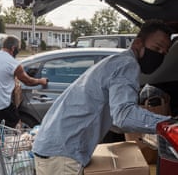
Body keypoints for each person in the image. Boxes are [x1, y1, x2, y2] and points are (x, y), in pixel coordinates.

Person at [32, 19, 174, 175]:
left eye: (164, 52)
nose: (159, 55)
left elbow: (114, 119)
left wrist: (146, 130)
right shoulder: (127, 65)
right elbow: (124, 115)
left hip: (52, 147)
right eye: (157, 47)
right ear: (138, 43)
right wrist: (169, 124)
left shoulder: (116, 62)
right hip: (62, 154)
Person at [0, 35, 48, 129]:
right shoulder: (13, 63)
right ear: (13, 48)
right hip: (2, 106)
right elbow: (28, 81)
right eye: (18, 49)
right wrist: (41, 81)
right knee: (15, 131)